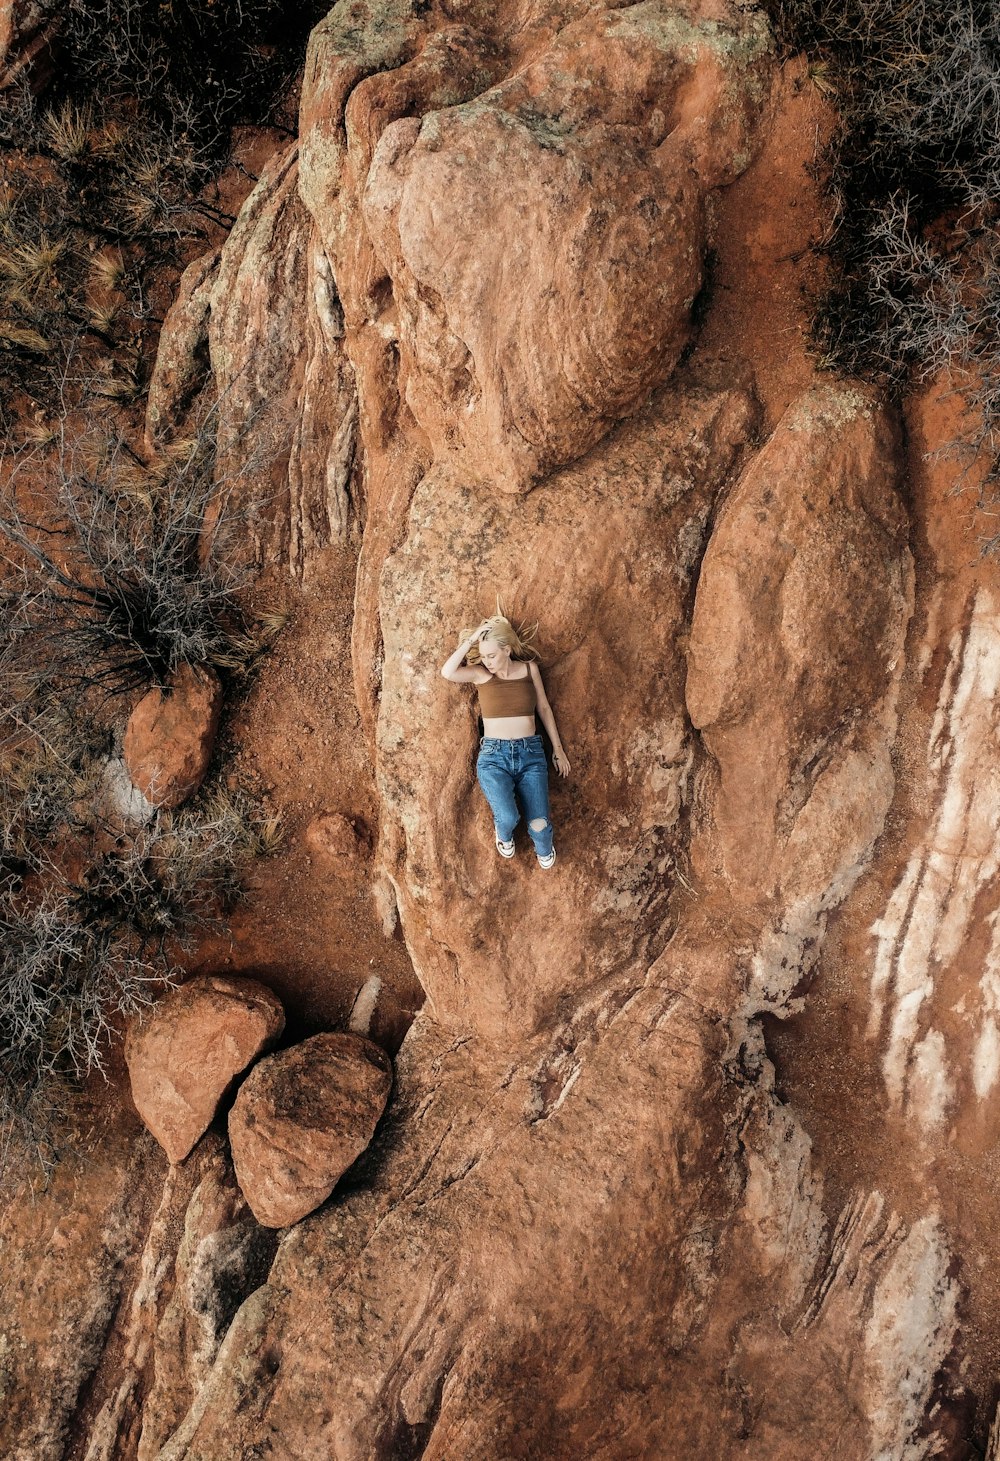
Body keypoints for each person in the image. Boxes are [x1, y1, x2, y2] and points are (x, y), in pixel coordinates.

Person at [441, 608, 570, 867]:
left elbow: (544, 708)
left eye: (492, 655)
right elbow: (448, 672)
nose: (487, 661)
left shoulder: (529, 670)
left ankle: (544, 849)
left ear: (507, 650)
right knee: (508, 817)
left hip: (531, 754)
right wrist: (474, 637)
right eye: (484, 655)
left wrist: (558, 749)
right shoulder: (481, 675)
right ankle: (504, 836)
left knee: (540, 826)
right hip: (493, 757)